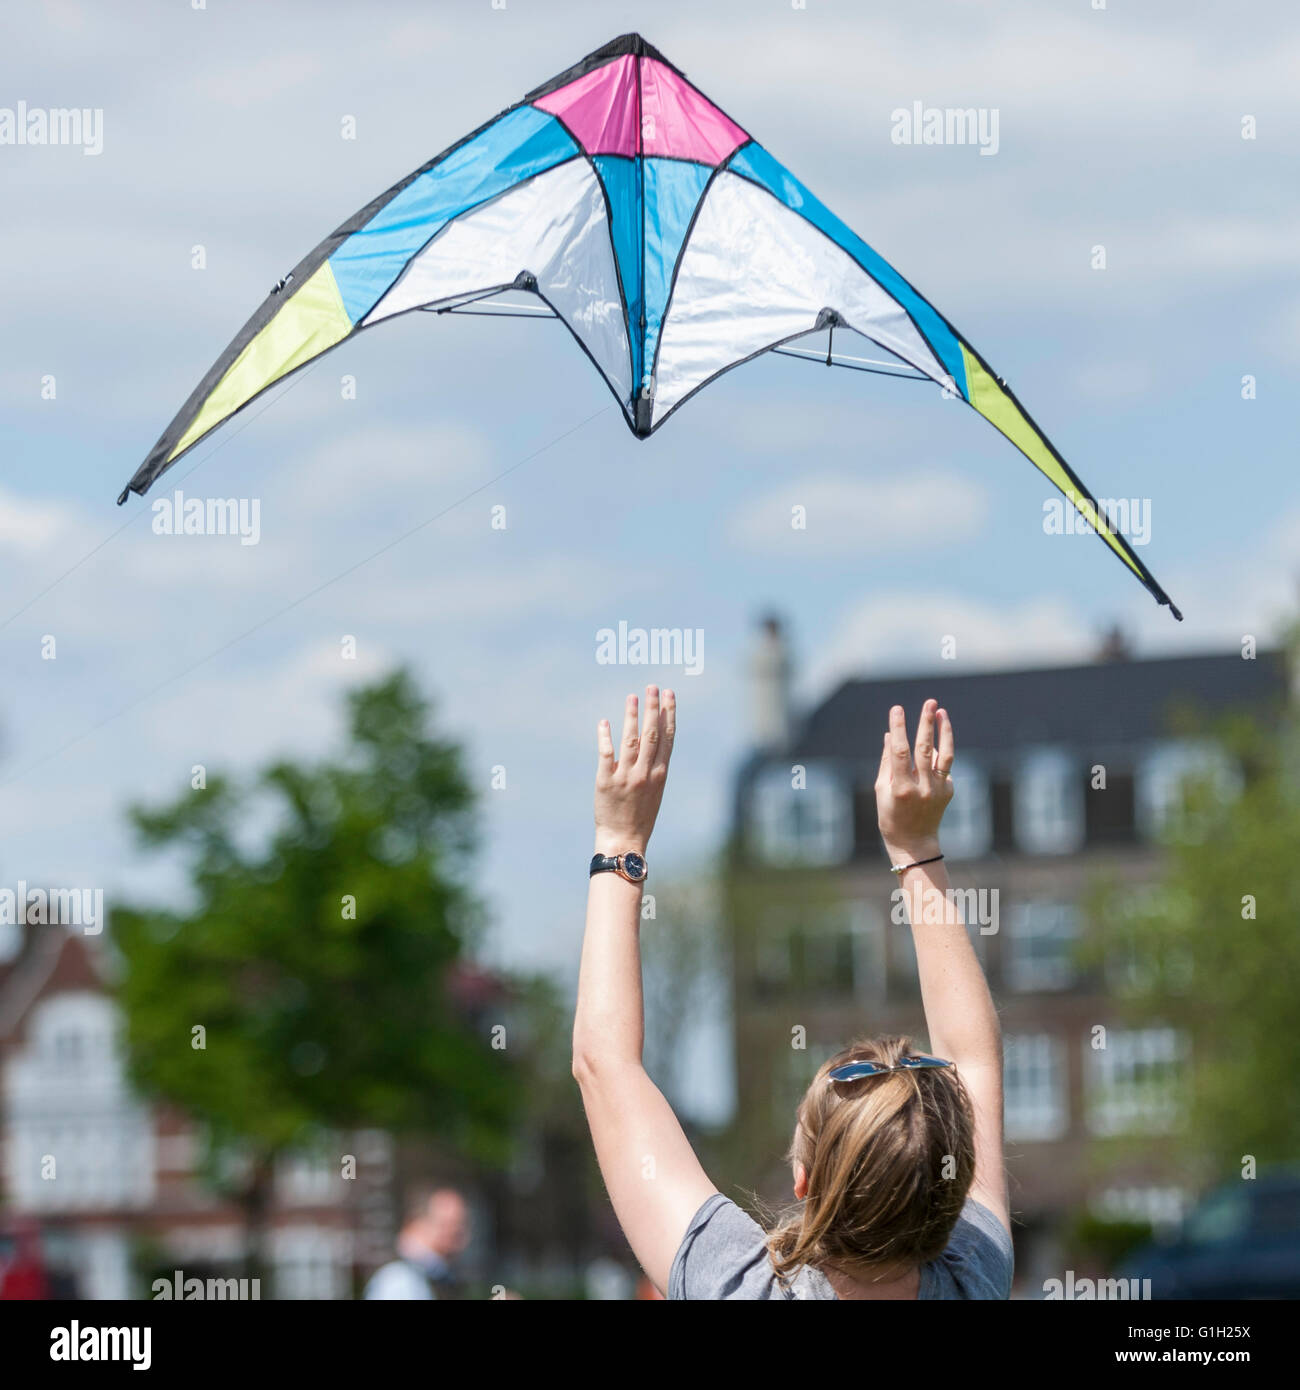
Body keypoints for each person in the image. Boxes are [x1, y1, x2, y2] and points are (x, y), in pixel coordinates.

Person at [572, 688, 1012, 1300]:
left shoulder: (742, 1286)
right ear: (954, 1180)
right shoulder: (974, 1278)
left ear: (803, 1181)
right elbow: (974, 1056)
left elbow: (604, 1063)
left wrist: (621, 840)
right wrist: (915, 850)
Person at [363, 1187, 470, 1300]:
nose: (457, 1231)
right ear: (416, 1222)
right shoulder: (398, 1279)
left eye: (461, 1223)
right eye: (448, 1224)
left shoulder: (430, 1275)